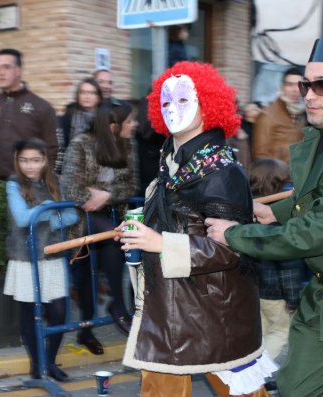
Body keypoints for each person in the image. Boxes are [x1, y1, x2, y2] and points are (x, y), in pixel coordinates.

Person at [205, 38, 323, 397]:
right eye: (306, 84)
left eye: (322, 85)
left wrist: (234, 235)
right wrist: (271, 213)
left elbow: (313, 233)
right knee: (298, 390)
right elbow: (318, 198)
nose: (308, 94)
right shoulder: (321, 138)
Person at [117, 61, 274, 397]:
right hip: (172, 305)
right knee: (159, 386)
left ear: (208, 105)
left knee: (241, 392)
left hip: (212, 310)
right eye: (166, 103)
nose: (173, 109)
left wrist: (158, 242)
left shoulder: (221, 170)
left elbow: (232, 247)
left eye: (184, 101)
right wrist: (141, 230)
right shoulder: (171, 160)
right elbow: (177, 219)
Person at [61, 103, 139, 356]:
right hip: (78, 217)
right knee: (86, 274)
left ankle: (108, 312)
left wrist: (107, 195)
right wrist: (91, 196)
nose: (134, 125)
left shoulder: (127, 145)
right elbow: (71, 187)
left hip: (108, 214)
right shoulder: (81, 144)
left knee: (109, 248)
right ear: (114, 127)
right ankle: (106, 315)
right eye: (130, 121)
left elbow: (131, 185)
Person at [3, 138, 78, 381]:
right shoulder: (14, 184)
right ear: (17, 161)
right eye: (24, 160)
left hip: (53, 253)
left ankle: (49, 362)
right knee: (30, 312)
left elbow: (71, 215)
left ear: (45, 160)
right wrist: (47, 206)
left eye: (35, 160)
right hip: (25, 257)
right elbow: (23, 219)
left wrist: (50, 219)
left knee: (58, 312)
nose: (29, 166)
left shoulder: (54, 181)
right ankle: (38, 364)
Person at [248, 159, 308, 367]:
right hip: (276, 292)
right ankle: (260, 371)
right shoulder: (282, 218)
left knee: (262, 332)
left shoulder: (248, 211)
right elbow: (288, 265)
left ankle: (251, 373)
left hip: (255, 288)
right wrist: (293, 299)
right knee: (281, 331)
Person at [0, 48, 58, 180]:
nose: (0, 73)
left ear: (19, 71)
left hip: (29, 184)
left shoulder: (41, 107)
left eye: (6, 67)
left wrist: (41, 178)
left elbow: (52, 148)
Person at [252, 67, 306, 165]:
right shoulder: (267, 115)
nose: (295, 90)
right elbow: (260, 155)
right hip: (277, 177)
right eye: (290, 85)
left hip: (298, 175)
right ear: (282, 87)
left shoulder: (303, 113)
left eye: (299, 85)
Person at [60, 78, 103, 149]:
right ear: (78, 96)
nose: (87, 97)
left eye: (91, 93)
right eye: (83, 92)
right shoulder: (68, 116)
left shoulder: (105, 117)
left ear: (98, 97)